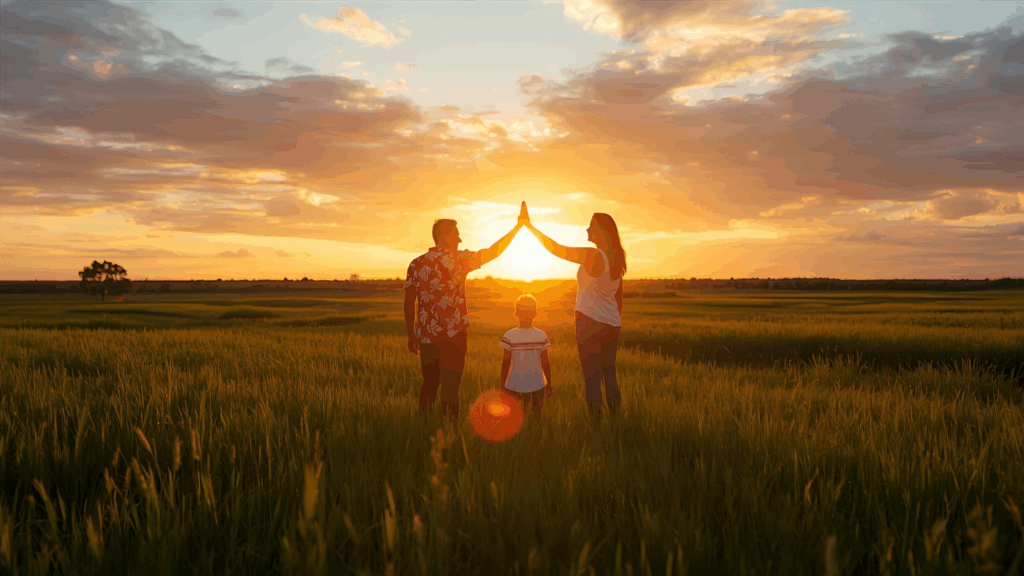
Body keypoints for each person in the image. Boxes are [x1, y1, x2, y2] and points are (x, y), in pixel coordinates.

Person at [404, 216, 525, 424]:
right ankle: (449, 431)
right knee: (451, 387)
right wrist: (517, 228)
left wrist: (411, 334)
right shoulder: (460, 260)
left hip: (427, 336)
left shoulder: (417, 264)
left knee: (430, 384)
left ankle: (423, 428)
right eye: (456, 235)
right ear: (443, 236)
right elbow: (494, 252)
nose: (460, 240)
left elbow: (409, 301)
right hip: (455, 335)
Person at [524, 207, 626, 416]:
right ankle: (617, 423)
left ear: (601, 232)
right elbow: (619, 297)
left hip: (589, 323)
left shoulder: (593, 255)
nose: (587, 229)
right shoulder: (616, 258)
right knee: (610, 375)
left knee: (591, 379)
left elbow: (557, 249)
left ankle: (597, 428)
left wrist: (530, 227)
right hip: (612, 325)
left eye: (592, 226)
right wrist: (613, 320)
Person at [499, 294, 552, 422]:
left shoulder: (509, 336)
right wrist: (549, 384)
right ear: (535, 314)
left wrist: (502, 384)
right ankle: (536, 438)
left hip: (514, 384)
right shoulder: (541, 336)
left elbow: (505, 362)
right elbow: (545, 362)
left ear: (516, 313)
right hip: (537, 383)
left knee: (515, 419)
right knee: (537, 418)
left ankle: (519, 440)